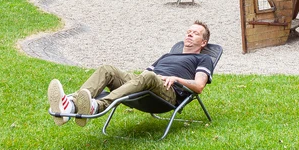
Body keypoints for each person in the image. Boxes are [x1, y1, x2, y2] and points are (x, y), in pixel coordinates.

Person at [47, 22, 214, 125]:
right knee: (108, 69)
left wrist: (176, 78)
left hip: (168, 92)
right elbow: (144, 74)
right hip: (146, 84)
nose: (190, 34)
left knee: (149, 76)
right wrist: (134, 79)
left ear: (203, 42)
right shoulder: (167, 56)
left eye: (196, 33)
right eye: (188, 32)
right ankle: (72, 105)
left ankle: (98, 106)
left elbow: (199, 86)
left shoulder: (203, 59)